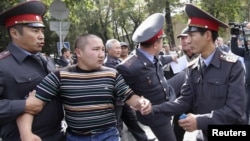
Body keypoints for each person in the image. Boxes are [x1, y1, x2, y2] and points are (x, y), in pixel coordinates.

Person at [16, 33, 152, 141]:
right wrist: (26, 134)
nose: (101, 54)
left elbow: (129, 96)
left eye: (103, 49)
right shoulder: (60, 76)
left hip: (108, 135)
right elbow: (30, 105)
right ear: (79, 52)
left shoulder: (111, 73)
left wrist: (141, 102)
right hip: (76, 137)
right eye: (95, 49)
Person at [149, 4, 246, 141]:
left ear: (207, 35)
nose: (187, 41)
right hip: (204, 135)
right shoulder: (193, 67)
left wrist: (199, 121)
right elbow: (184, 100)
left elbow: (235, 111)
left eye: (192, 35)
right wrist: (154, 109)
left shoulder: (233, 65)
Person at [0, 1, 65, 141]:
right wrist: (23, 106)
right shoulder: (3, 65)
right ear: (14, 33)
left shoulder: (47, 60)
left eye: (42, 31)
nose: (41, 36)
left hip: (58, 135)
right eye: (35, 31)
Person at [116, 13, 185, 141]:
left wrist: (172, 58)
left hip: (167, 96)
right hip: (155, 114)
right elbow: (119, 89)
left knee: (185, 75)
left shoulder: (152, 54)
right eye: (161, 41)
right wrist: (135, 102)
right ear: (155, 45)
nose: (162, 44)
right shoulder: (128, 67)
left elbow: (160, 60)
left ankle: (181, 109)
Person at [104, 39, 155, 141]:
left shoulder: (118, 61)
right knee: (116, 124)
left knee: (132, 121)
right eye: (117, 48)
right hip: (115, 100)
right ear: (108, 50)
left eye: (120, 48)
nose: (119, 50)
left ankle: (143, 139)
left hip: (124, 99)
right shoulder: (108, 64)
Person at [172, 26, 199, 141]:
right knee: (176, 131)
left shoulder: (202, 54)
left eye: (185, 37)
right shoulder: (175, 59)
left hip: (202, 100)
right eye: (181, 39)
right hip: (183, 100)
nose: (183, 41)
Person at [230, 26, 250, 124]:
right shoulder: (247, 52)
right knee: (245, 111)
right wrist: (234, 36)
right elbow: (234, 49)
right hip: (247, 86)